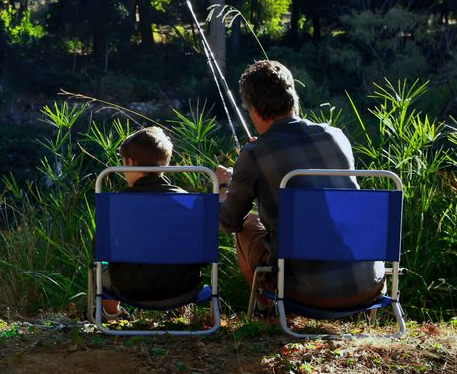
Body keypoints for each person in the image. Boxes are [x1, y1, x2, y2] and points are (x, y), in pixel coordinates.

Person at [217, 60, 385, 310]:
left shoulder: (255, 154)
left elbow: (229, 223)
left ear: (252, 109)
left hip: (307, 293)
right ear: (293, 98)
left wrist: (224, 187)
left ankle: (269, 308)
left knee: (246, 226)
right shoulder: (337, 135)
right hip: (369, 284)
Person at [100, 126, 204, 319]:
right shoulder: (187, 201)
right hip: (183, 288)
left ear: (129, 163)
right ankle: (182, 312)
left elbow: (100, 249)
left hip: (130, 289)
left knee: (100, 267)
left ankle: (112, 314)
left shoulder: (117, 204)